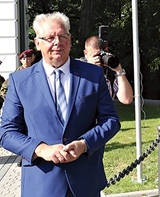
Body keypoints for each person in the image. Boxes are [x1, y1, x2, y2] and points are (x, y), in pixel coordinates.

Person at [0, 12, 121, 197]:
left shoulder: (92, 75)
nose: (57, 42)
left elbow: (111, 120)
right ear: (37, 43)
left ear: (70, 40)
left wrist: (84, 143)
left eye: (62, 36)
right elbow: (7, 132)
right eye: (49, 37)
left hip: (84, 181)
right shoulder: (20, 81)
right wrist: (40, 149)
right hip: (42, 182)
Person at [83, 36, 133, 104]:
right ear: (85, 53)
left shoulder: (110, 70)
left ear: (106, 51)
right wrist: (89, 67)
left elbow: (126, 99)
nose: (98, 59)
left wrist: (119, 71)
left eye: (100, 55)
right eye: (95, 56)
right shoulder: (77, 67)